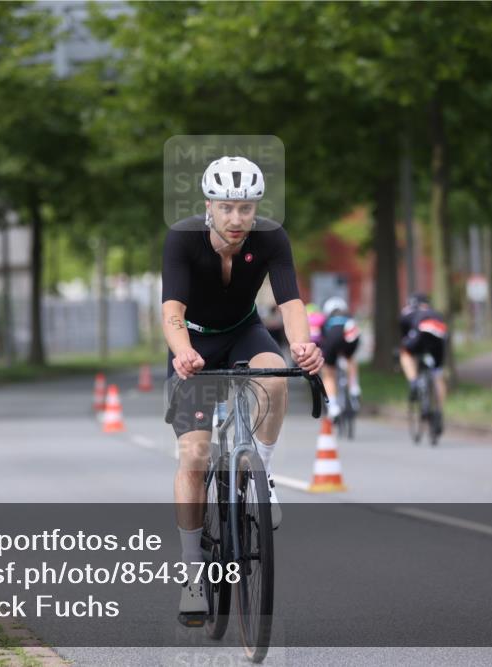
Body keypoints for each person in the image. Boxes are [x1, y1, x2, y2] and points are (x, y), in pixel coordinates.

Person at [162, 156, 322, 626]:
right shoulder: (183, 238)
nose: (237, 219)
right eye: (228, 207)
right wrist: (183, 351)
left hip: (242, 330)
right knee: (194, 457)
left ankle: (262, 476)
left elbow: (291, 302)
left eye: (246, 209)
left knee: (275, 374)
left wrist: (303, 345)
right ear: (209, 205)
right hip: (192, 340)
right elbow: (171, 310)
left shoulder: (271, 237)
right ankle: (193, 576)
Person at [398, 293, 448, 429]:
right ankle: (439, 410)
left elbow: (404, 333)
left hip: (420, 331)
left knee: (405, 353)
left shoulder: (408, 311)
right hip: (439, 333)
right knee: (438, 374)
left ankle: (414, 382)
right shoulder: (435, 312)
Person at [319, 296, 362, 419]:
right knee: (350, 358)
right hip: (350, 335)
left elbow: (322, 340)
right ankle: (354, 387)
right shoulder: (349, 318)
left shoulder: (326, 321)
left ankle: (333, 407)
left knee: (328, 372)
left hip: (332, 338)